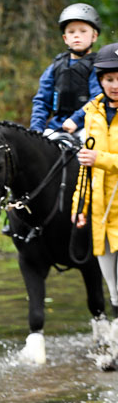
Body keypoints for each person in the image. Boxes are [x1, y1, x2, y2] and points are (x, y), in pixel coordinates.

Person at [72, 42, 118, 319]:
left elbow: (95, 159)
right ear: (100, 80)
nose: (115, 85)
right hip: (102, 215)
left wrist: (98, 158)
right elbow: (86, 170)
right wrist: (80, 207)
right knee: (113, 290)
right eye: (109, 79)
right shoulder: (93, 113)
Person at [29, 3, 102, 137]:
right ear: (65, 38)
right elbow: (42, 100)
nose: (76, 36)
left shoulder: (97, 66)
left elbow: (98, 98)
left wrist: (76, 119)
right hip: (57, 126)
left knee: (89, 145)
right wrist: (36, 129)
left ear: (94, 36)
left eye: (83, 31)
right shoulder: (55, 66)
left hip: (87, 126)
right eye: (71, 32)